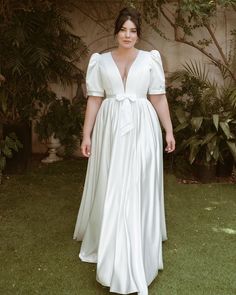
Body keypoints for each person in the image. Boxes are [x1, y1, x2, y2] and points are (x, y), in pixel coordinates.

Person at [73, 7, 175, 295]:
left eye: (133, 30)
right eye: (123, 30)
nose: (128, 35)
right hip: (110, 131)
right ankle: (111, 239)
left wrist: (168, 130)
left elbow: (158, 98)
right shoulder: (100, 62)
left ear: (138, 34)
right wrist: (86, 134)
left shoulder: (150, 60)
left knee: (137, 182)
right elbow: (94, 100)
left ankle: (139, 239)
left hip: (143, 130)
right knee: (113, 183)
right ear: (116, 32)